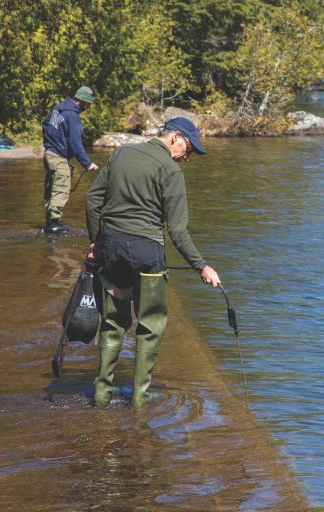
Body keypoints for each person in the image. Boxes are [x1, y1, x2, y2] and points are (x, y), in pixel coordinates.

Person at [85, 117, 221, 407]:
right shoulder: (170, 170)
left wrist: (97, 242)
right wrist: (202, 266)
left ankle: (101, 393)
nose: (188, 157)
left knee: (113, 321)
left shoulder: (122, 153)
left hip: (112, 249)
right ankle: (139, 398)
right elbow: (177, 231)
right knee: (149, 325)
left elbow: (93, 199)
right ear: (175, 138)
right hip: (147, 254)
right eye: (189, 149)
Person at [42, 86, 99, 235]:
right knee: (61, 186)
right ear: (81, 101)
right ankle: (52, 224)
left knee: (52, 187)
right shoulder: (72, 116)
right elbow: (76, 143)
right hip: (58, 156)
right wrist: (88, 163)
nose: (89, 107)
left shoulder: (58, 108)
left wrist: (50, 141)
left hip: (49, 153)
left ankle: (51, 220)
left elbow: (45, 123)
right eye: (88, 103)